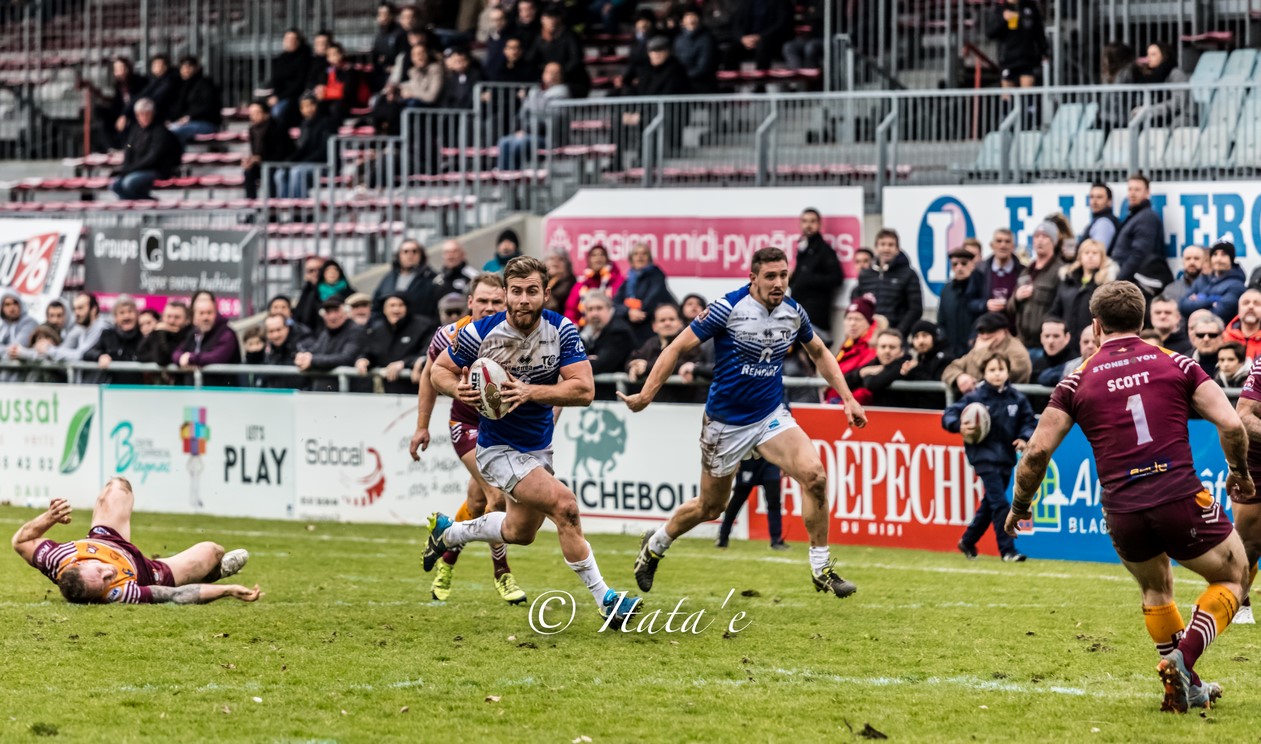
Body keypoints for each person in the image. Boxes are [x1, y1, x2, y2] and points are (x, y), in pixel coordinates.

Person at [1004, 280, 1251, 713]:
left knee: (1156, 589)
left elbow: (1037, 452)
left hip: (1122, 510)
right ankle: (1184, 658)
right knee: (1235, 576)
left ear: (1096, 325)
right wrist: (1240, 472)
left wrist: (1020, 507)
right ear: (1142, 320)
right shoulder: (1176, 363)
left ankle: (1184, 686)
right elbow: (1232, 424)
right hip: (1179, 496)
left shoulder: (1075, 381)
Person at [620, 247, 869, 600]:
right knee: (711, 507)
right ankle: (656, 543)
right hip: (726, 423)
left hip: (769, 415)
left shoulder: (793, 312)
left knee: (814, 476)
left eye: (783, 275)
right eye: (770, 276)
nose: (779, 283)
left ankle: (821, 568)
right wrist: (646, 394)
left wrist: (848, 398)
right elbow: (675, 348)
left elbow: (819, 352)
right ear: (753, 278)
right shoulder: (728, 308)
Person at [421, 257, 641, 627]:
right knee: (565, 507)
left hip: (538, 447)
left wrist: (530, 391)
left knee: (519, 532)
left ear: (546, 294)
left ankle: (450, 532)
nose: (524, 299)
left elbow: (584, 390)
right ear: (507, 294)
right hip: (497, 449)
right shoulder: (479, 332)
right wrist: (457, 389)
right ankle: (607, 600)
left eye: (532, 291)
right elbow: (439, 370)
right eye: (517, 291)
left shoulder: (562, 330)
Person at [409, 274, 524, 603]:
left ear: (507, 303)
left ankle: (446, 559)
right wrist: (422, 426)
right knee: (497, 497)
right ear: (470, 302)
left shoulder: (522, 335)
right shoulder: (450, 335)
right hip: (468, 424)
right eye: (483, 301)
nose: (489, 307)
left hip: (505, 427)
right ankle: (502, 573)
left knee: (476, 504)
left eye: (496, 302)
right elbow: (430, 376)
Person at [12, 479, 258, 605]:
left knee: (117, 488)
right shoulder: (120, 593)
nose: (109, 573)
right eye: (105, 582)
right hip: (147, 571)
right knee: (213, 551)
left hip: (105, 539)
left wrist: (50, 517)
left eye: (99, 571)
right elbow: (176, 596)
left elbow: (20, 541)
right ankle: (214, 573)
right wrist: (228, 590)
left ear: (79, 564)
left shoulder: (57, 559)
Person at [943, 353, 1036, 562]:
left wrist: (1024, 437)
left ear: (1008, 372)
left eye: (1001, 369)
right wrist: (958, 425)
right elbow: (949, 414)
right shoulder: (975, 397)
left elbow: (1029, 422)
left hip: (1006, 458)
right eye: (992, 370)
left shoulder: (1017, 398)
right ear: (984, 373)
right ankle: (1008, 551)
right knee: (1000, 503)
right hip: (983, 457)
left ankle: (968, 540)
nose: (997, 374)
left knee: (990, 504)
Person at [626, 303, 708, 404]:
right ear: (654, 326)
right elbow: (632, 360)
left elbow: (683, 364)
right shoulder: (651, 343)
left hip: (686, 404)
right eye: (662, 320)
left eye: (672, 319)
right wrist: (634, 367)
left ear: (680, 322)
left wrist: (647, 367)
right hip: (656, 406)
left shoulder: (691, 342)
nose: (667, 323)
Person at [496, 62, 569, 170]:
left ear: (560, 76)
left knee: (520, 143)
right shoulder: (535, 92)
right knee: (504, 142)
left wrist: (526, 130)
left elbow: (551, 122)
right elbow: (522, 114)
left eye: (555, 73)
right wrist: (518, 130)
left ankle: (515, 175)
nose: (551, 75)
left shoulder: (561, 93)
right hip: (529, 133)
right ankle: (506, 177)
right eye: (548, 71)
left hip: (550, 139)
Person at [358, 294, 435, 395]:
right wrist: (364, 359)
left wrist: (404, 363)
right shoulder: (377, 329)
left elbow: (428, 353)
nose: (396, 309)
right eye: (392, 305)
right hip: (388, 391)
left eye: (400, 305)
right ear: (384, 310)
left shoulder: (423, 326)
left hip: (417, 390)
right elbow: (371, 352)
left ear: (407, 307)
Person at [1112, 174, 1174, 299]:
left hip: (1137, 282)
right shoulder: (1136, 216)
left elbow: (1139, 254)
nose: (1132, 193)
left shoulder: (1146, 217)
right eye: (1130, 189)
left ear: (1147, 193)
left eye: (1137, 189)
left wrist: (1118, 281)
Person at [789, 208, 844, 343]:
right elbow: (801, 279)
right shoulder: (802, 248)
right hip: (798, 313)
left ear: (819, 224)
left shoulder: (825, 250)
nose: (808, 225)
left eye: (812, 221)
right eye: (805, 221)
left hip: (815, 318)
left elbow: (836, 278)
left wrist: (807, 279)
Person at [942, 312, 1032, 394]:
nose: (985, 336)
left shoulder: (1016, 350)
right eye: (981, 331)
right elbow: (950, 368)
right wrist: (959, 377)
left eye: (990, 331)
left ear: (1004, 331)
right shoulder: (979, 347)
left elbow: (1013, 376)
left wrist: (981, 352)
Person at [1047, 238, 1116, 344]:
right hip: (1068, 343)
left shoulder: (1107, 285)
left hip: (1093, 342)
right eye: (1086, 252)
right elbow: (1055, 312)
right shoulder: (1068, 280)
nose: (1090, 256)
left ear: (1102, 257)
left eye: (1095, 253)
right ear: (1080, 257)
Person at [111, 98, 182, 200]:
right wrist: (126, 167)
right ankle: (142, 202)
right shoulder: (136, 130)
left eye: (146, 114)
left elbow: (153, 156)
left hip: (156, 170)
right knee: (115, 185)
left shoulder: (160, 132)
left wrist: (131, 169)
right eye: (140, 114)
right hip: (136, 169)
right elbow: (129, 146)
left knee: (129, 182)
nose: (143, 117)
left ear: (152, 114)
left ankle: (149, 202)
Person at [1010, 221, 1064, 348]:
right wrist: (1016, 297)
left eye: (1045, 236)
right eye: (1036, 236)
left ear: (1054, 242)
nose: (1040, 240)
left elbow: (1062, 308)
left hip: (1046, 344)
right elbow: (1010, 308)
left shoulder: (1061, 271)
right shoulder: (1025, 271)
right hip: (1022, 342)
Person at [296, 299, 368, 392]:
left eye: (336, 311)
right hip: (326, 391)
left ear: (346, 312)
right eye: (328, 312)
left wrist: (312, 360)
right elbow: (316, 350)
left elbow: (346, 358)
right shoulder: (325, 333)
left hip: (348, 393)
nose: (332, 316)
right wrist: (303, 356)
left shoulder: (356, 331)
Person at [273, 94, 337, 199]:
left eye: (311, 105)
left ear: (316, 105)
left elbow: (323, 151)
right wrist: (288, 162)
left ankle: (300, 207)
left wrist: (301, 162)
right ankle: (285, 205)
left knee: (297, 172)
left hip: (324, 164)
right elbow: (302, 149)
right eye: (304, 107)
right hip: (306, 163)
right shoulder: (304, 125)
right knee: (280, 173)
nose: (308, 109)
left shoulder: (327, 123)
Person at [715, 459, 787, 550]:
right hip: (748, 462)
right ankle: (723, 536)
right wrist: (735, 461)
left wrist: (784, 463)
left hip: (770, 462)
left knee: (774, 501)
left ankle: (776, 540)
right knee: (737, 501)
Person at [173, 292, 242, 386]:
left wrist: (190, 358)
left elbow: (216, 357)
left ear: (216, 313)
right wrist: (181, 358)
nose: (205, 317)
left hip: (222, 390)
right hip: (195, 390)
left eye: (209, 313)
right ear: (195, 315)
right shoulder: (193, 333)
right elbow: (176, 352)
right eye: (201, 313)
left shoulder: (226, 333)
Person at [614, 243, 676, 346]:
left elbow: (653, 298)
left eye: (644, 253)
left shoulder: (657, 275)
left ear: (649, 258)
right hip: (631, 329)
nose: (640, 256)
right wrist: (628, 312)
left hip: (650, 327)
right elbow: (615, 304)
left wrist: (638, 312)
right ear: (631, 259)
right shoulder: (628, 280)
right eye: (636, 254)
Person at [579, 290, 635, 399]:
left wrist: (583, 360)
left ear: (610, 309)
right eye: (590, 309)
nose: (594, 313)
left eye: (599, 308)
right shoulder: (585, 333)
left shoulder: (619, 331)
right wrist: (587, 360)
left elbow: (601, 365)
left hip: (619, 397)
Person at [529, 4, 590, 99]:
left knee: (558, 93)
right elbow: (531, 60)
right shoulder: (538, 38)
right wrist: (546, 73)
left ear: (560, 19)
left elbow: (576, 59)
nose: (552, 21)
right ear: (542, 19)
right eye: (549, 17)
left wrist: (558, 73)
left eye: (555, 17)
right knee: (533, 94)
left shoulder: (570, 36)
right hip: (548, 83)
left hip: (572, 82)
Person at [985, 0, 1047, 91]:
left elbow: (1039, 32)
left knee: (1027, 91)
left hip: (1027, 58)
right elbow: (990, 33)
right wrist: (1003, 19)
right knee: (1007, 94)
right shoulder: (1000, 9)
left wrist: (1044, 51)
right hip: (1008, 60)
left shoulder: (1030, 7)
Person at [373, 239, 440, 322]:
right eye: (406, 251)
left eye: (414, 251)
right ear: (399, 255)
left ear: (421, 255)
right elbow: (376, 305)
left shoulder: (431, 278)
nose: (410, 255)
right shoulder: (389, 278)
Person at [1179, 240, 1246, 323]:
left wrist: (1198, 300)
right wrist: (1210, 301)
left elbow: (1220, 313)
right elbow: (1183, 306)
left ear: (1231, 259)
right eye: (1215, 254)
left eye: (1224, 254)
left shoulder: (1237, 285)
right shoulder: (1202, 279)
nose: (1218, 259)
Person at [83, 295, 144, 384]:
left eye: (130, 312)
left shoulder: (143, 335)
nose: (126, 316)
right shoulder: (108, 335)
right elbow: (88, 353)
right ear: (115, 318)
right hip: (112, 388)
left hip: (141, 389)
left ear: (137, 315)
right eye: (122, 313)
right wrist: (100, 356)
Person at [827, 294, 877, 403]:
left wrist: (843, 404)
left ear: (868, 323)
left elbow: (865, 388)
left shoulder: (873, 349)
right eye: (849, 318)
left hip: (850, 406)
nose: (852, 323)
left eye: (858, 319)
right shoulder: (847, 345)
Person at [92, 56, 147, 153]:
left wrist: (125, 115)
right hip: (121, 115)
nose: (118, 72)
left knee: (131, 129)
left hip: (136, 115)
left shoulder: (139, 82)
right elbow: (116, 104)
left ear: (128, 68)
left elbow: (136, 100)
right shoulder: (119, 84)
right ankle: (110, 148)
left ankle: (128, 148)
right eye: (116, 69)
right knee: (99, 114)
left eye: (121, 68)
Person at [243, 100, 296, 199]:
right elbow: (255, 152)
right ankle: (251, 203)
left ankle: (271, 204)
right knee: (249, 171)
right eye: (251, 113)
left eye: (257, 112)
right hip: (262, 164)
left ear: (266, 113)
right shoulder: (252, 130)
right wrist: (251, 160)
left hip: (279, 163)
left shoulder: (277, 127)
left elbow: (281, 152)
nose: (254, 116)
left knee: (270, 171)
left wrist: (261, 159)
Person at [966, 228, 1022, 321]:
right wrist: (985, 305)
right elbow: (969, 303)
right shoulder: (979, 271)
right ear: (992, 245)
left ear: (1013, 246)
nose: (1003, 245)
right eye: (999, 241)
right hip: (988, 326)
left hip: (1014, 327)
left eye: (1007, 241)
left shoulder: (1022, 272)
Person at [851, 329, 917, 407]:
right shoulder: (875, 362)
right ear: (876, 349)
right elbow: (846, 381)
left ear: (901, 351)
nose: (887, 351)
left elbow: (872, 383)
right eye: (883, 346)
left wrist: (866, 374)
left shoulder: (905, 364)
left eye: (892, 347)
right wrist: (862, 372)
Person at [167, 56, 223, 145]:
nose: (186, 70)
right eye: (183, 68)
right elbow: (176, 108)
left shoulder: (206, 84)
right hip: (184, 123)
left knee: (175, 132)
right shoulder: (180, 86)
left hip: (206, 123)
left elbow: (209, 106)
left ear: (196, 68)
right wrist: (170, 119)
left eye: (189, 67)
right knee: (163, 132)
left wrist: (190, 117)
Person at [1138, 41, 1193, 127]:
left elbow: (1178, 103)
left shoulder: (1176, 74)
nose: (1148, 58)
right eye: (1148, 54)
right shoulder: (1150, 75)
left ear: (1164, 56)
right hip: (1160, 118)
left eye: (1153, 54)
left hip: (1178, 119)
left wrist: (1151, 110)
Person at [42, 292, 107, 364]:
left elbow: (81, 355)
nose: (76, 313)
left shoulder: (103, 329)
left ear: (93, 309)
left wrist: (49, 350)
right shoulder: (84, 329)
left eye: (80, 308)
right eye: (74, 309)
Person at [565, 245, 624, 323]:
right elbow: (571, 310)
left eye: (602, 254)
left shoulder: (618, 281)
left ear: (607, 259)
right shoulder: (581, 285)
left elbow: (621, 305)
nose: (598, 257)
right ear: (589, 260)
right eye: (594, 255)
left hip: (612, 324)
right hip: (585, 325)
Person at [726, 0, 790, 72]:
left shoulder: (780, 2)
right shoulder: (746, 2)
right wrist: (742, 38)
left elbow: (781, 24)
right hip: (747, 40)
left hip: (769, 39)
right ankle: (732, 78)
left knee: (762, 45)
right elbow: (736, 23)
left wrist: (760, 37)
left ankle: (761, 77)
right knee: (729, 50)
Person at [265, 29, 311, 127]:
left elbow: (299, 83)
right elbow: (276, 79)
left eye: (293, 39)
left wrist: (279, 97)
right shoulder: (282, 58)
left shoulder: (304, 58)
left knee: (278, 111)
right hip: (279, 95)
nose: (290, 42)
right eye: (287, 39)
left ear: (298, 41)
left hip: (294, 95)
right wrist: (275, 95)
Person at [137, 301, 191, 384]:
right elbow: (141, 354)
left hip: (184, 386)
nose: (172, 321)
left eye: (177, 317)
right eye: (168, 316)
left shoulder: (191, 336)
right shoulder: (157, 333)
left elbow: (162, 359)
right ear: (163, 318)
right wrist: (160, 332)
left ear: (186, 320)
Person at [939, 247, 979, 358]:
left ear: (972, 265)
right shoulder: (946, 290)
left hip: (974, 351)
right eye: (955, 264)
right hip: (951, 351)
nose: (959, 267)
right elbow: (941, 321)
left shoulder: (980, 287)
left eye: (964, 263)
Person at [246, 313, 303, 389]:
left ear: (287, 328)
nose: (275, 335)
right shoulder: (266, 354)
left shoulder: (301, 346)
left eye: (278, 330)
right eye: (271, 331)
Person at [674, 7, 717, 93]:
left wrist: (683, 77)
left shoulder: (707, 39)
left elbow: (703, 67)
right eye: (687, 16)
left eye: (693, 15)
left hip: (702, 85)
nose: (691, 19)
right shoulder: (678, 39)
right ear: (682, 21)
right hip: (682, 83)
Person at [135, 54, 179, 123]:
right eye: (154, 65)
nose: (156, 67)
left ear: (166, 67)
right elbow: (141, 94)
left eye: (159, 65)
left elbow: (155, 98)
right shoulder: (150, 79)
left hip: (165, 116)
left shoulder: (170, 81)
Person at [1029, 318, 1074, 384]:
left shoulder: (1076, 364)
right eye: (1047, 336)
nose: (1050, 341)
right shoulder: (1037, 365)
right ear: (1041, 338)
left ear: (1067, 337)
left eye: (1056, 336)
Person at [1222, 288, 1261, 362]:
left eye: (1257, 304)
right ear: (1238, 309)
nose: (1251, 307)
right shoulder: (1223, 338)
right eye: (1246, 303)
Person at [1079, 182, 1119, 250]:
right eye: (1092, 197)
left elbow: (1096, 252)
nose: (1094, 201)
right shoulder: (1099, 220)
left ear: (1109, 201)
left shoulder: (1104, 223)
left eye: (1099, 197)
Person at [544, 250, 577, 315]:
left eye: (561, 259)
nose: (556, 261)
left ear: (567, 265)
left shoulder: (571, 282)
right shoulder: (541, 280)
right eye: (552, 258)